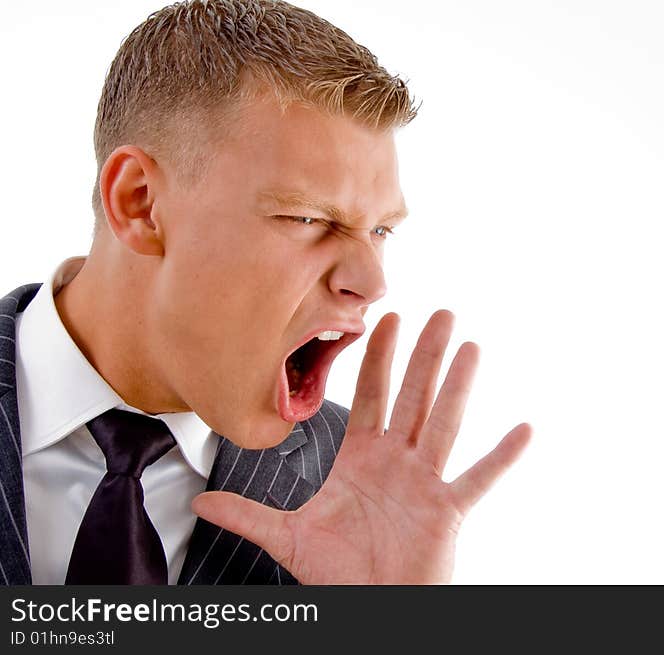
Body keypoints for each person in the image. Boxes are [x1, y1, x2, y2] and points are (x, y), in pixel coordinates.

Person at [0, 0, 531, 585]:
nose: (373, 282)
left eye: (381, 229)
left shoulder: (360, 493)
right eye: (306, 218)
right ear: (140, 203)